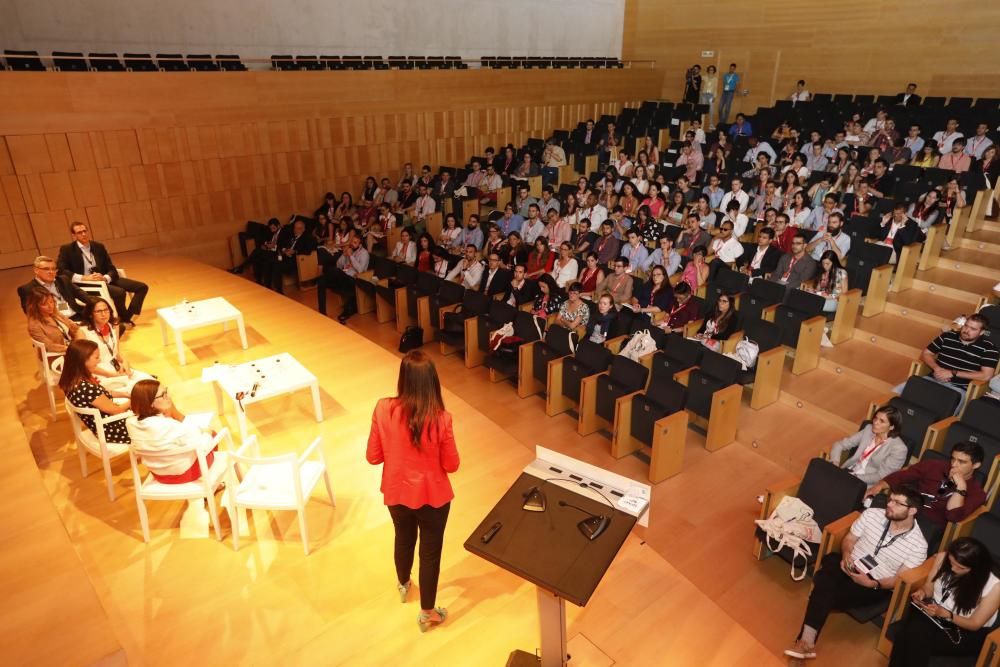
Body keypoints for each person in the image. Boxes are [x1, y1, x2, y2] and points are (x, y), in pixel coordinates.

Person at [366, 350, 459, 632]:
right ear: (433, 382)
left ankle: (404, 584)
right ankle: (428, 613)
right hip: (433, 498)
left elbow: (373, 457)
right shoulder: (442, 418)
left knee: (403, 538)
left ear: (403, 379)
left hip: (396, 492)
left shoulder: (383, 408)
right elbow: (452, 465)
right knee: (430, 554)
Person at [784, 486, 927, 662]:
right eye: (890, 499)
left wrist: (872, 584)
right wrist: (846, 555)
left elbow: (898, 580)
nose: (889, 504)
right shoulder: (873, 514)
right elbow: (850, 539)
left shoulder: (918, 545)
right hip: (851, 563)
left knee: (824, 589)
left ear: (912, 510)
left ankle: (804, 642)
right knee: (831, 565)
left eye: (897, 503)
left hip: (875, 583)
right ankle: (805, 643)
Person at [889, 537, 1000, 667]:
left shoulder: (994, 586)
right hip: (935, 613)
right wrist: (923, 592)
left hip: (963, 630)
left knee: (912, 635)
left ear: (977, 568)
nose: (953, 569)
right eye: (951, 562)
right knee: (913, 632)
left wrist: (948, 615)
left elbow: (975, 624)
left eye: (961, 567)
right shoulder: (943, 558)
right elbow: (929, 587)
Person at [867, 442, 986, 550]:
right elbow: (903, 475)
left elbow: (953, 516)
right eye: (953, 459)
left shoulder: (977, 493)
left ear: (976, 465)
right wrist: (880, 485)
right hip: (907, 508)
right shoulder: (934, 465)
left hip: (928, 525)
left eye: (962, 462)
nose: (954, 465)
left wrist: (961, 486)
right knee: (873, 519)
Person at [891, 314, 998, 415]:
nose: (966, 330)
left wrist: (953, 373)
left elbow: (986, 375)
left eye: (973, 329)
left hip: (957, 388)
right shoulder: (948, 336)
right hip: (932, 379)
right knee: (894, 395)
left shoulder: (989, 348)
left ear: (982, 332)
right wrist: (937, 368)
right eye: (966, 326)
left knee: (936, 413)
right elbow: (926, 353)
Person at [125, 379, 219, 484]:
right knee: (212, 435)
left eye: (166, 391)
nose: (168, 397)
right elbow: (202, 446)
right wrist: (207, 433)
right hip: (185, 474)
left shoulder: (130, 423)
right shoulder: (168, 425)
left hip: (158, 474)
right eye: (163, 395)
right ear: (150, 403)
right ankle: (212, 483)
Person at [57, 221, 148, 328]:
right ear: (74, 236)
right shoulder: (67, 249)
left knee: (142, 287)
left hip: (103, 278)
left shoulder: (98, 246)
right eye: (79, 232)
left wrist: (105, 277)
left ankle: (126, 316)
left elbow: (111, 267)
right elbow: (61, 270)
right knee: (119, 292)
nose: (83, 234)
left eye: (85, 231)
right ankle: (125, 320)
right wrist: (84, 278)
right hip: (86, 283)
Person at [59, 339, 131, 444]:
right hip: (110, 428)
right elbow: (116, 410)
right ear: (83, 360)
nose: (99, 360)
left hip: (102, 422)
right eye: (96, 357)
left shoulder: (73, 379)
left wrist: (125, 394)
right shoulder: (85, 389)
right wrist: (133, 401)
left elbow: (102, 393)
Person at [80, 297, 151, 389]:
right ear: (90, 314)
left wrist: (125, 364)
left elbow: (116, 353)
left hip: (115, 368)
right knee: (139, 390)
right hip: (98, 373)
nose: (104, 314)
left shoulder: (114, 326)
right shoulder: (82, 332)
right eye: (99, 311)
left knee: (151, 382)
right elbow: (84, 364)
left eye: (106, 310)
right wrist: (111, 375)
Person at [829, 405, 908, 484]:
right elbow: (840, 444)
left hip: (866, 483)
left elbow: (881, 476)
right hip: (849, 471)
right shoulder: (869, 429)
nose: (875, 422)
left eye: (882, 421)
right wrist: (835, 462)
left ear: (891, 427)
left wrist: (854, 477)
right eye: (875, 418)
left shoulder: (899, 449)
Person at [18, 255, 91, 320]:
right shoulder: (28, 289)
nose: (51, 272)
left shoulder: (63, 280)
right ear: (36, 270)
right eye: (46, 269)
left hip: (76, 315)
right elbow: (32, 314)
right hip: (55, 322)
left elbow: (81, 294)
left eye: (53, 269)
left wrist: (96, 303)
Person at [317, 233, 370, 323]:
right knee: (322, 280)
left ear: (360, 245)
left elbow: (361, 270)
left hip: (352, 279)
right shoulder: (349, 250)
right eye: (352, 242)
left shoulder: (364, 254)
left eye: (355, 242)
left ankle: (347, 310)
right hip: (342, 276)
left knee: (334, 271)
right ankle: (322, 312)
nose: (352, 244)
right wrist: (344, 255)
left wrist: (351, 256)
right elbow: (338, 265)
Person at [25, 286, 80, 353]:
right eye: (44, 304)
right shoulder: (34, 325)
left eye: (51, 302)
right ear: (35, 306)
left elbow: (71, 325)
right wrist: (73, 349)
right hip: (59, 354)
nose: (50, 306)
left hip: (71, 345)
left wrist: (78, 333)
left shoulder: (54, 312)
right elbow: (50, 346)